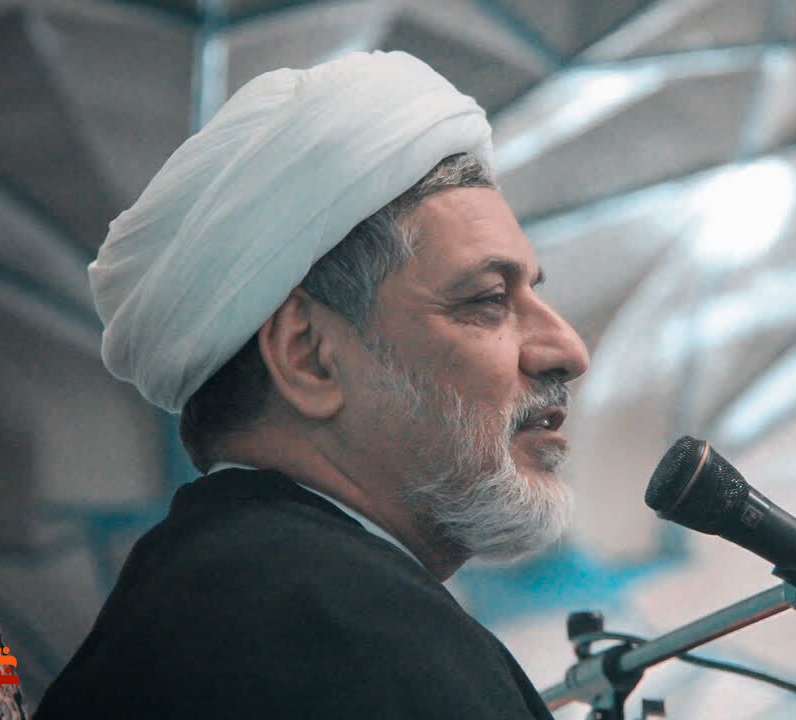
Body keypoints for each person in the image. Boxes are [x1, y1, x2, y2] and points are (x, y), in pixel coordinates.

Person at [34, 51, 588, 719]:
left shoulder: (229, 594)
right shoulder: (342, 633)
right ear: (310, 357)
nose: (568, 350)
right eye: (489, 299)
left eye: (534, 293)